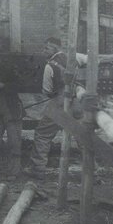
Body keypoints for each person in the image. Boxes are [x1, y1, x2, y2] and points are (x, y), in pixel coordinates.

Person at [29, 36, 70, 176]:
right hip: (76, 101)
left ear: (56, 48)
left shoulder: (49, 66)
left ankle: (38, 169)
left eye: (47, 48)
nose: (44, 51)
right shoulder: (74, 58)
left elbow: (47, 91)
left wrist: (56, 97)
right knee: (80, 134)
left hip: (59, 103)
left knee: (42, 134)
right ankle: (92, 171)